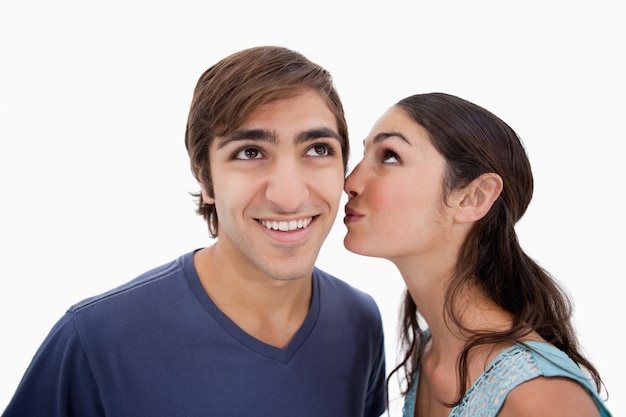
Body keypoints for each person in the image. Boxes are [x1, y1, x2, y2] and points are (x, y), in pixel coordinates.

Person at [3, 46, 386, 417]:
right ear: (205, 178)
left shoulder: (360, 322)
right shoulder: (95, 340)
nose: (288, 197)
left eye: (318, 149)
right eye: (250, 152)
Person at [343, 92, 611, 417]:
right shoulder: (428, 357)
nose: (350, 182)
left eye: (389, 156)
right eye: (364, 154)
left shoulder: (540, 398)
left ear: (474, 197)